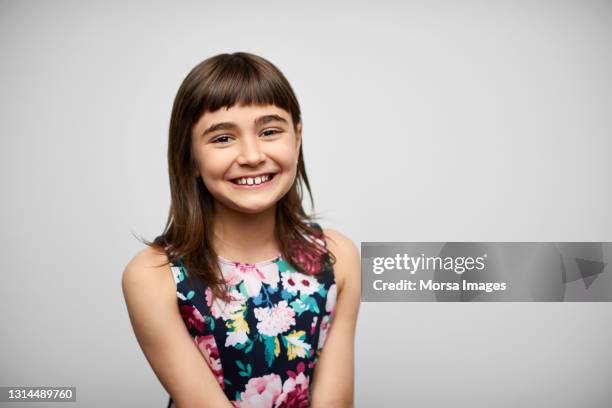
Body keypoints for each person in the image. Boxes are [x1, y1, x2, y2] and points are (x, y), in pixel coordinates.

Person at [121, 52, 361, 408]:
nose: (251, 155)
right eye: (222, 139)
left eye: (269, 131)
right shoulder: (153, 277)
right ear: (190, 157)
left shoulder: (338, 258)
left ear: (297, 137)